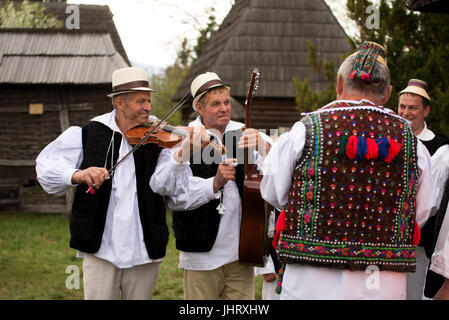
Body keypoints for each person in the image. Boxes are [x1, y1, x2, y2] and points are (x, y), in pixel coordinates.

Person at [260, 41, 432, 300]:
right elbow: (421, 213)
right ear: (388, 93)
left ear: (339, 84)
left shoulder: (304, 132)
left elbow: (272, 192)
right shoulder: (413, 144)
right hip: (382, 285)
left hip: (310, 283)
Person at [36, 67, 186, 300]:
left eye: (149, 100)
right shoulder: (88, 132)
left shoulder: (158, 137)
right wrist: (77, 174)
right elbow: (45, 167)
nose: (148, 107)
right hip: (101, 249)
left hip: (143, 248)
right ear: (120, 103)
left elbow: (164, 186)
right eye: (140, 101)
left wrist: (183, 155)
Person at [150, 71, 273, 300]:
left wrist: (267, 149)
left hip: (243, 252)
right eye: (215, 104)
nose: (224, 108)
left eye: (226, 102)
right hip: (201, 257)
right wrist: (213, 183)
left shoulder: (244, 133)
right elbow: (165, 188)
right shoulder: (183, 138)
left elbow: (282, 176)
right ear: (199, 107)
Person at [398, 79, 449, 299]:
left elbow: (435, 199)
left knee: (413, 292)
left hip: (419, 237)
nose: (406, 112)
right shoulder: (388, 138)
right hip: (385, 236)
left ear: (426, 110)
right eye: (402, 107)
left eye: (413, 108)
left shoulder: (440, 146)